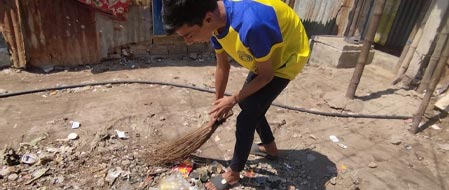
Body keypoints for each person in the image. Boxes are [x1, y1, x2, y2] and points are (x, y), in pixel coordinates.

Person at [162, 0, 309, 189]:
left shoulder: (251, 25)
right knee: (251, 104)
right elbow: (222, 65)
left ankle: (233, 173)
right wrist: (218, 105)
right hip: (263, 52)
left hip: (286, 57)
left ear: (207, 18)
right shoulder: (215, 22)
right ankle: (270, 148)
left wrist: (232, 99)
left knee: (246, 115)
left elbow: (266, 76)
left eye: (189, 35)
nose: (188, 42)